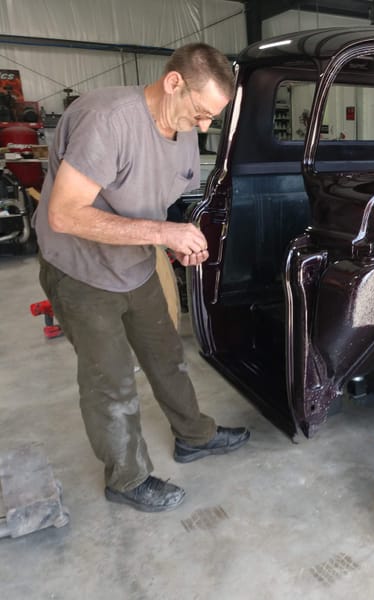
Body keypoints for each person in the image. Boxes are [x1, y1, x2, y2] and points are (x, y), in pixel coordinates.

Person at [33, 43, 250, 512]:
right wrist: (162, 233)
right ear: (173, 83)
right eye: (201, 113)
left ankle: (193, 436)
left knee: (167, 356)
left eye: (212, 119)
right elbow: (64, 214)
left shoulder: (183, 129)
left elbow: (159, 201)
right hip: (81, 271)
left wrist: (180, 241)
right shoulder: (108, 120)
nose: (204, 127)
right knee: (111, 381)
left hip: (135, 263)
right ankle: (126, 478)